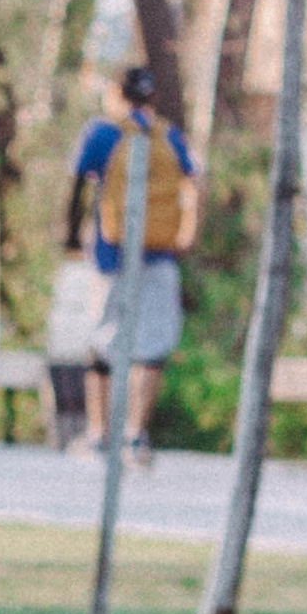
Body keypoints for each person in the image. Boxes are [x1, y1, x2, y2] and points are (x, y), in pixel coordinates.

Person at [65, 63, 201, 465]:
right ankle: (137, 435)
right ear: (152, 97)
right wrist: (186, 235)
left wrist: (72, 234)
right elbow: (196, 182)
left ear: (115, 93)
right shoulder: (169, 136)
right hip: (160, 253)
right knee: (152, 343)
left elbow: (77, 182)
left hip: (111, 255)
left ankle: (98, 434)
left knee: (103, 339)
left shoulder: (104, 133)